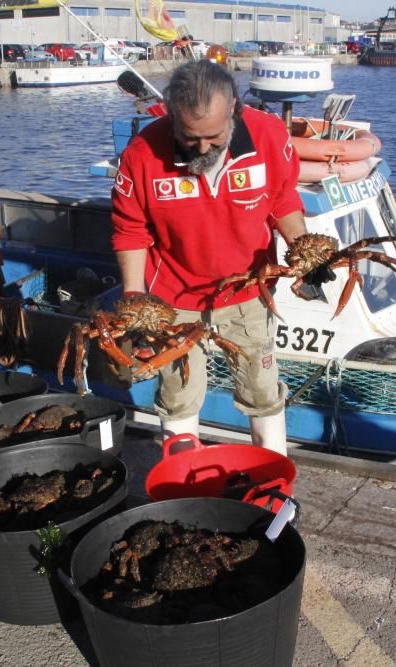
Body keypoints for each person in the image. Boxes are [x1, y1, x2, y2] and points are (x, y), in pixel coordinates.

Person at [111, 59, 306, 455]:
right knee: (178, 392)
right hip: (173, 298)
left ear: (234, 107)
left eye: (214, 138)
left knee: (261, 390)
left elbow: (283, 200)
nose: (202, 148)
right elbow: (131, 229)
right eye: (189, 138)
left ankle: (272, 470)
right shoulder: (142, 153)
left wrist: (305, 256)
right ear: (170, 115)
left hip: (249, 292)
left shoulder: (269, 136)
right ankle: (185, 480)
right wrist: (134, 300)